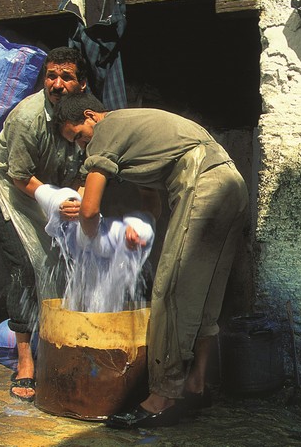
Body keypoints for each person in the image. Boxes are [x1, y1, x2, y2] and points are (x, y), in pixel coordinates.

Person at [53, 93, 248, 428]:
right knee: (205, 291)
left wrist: (89, 243)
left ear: (90, 116)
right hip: (231, 184)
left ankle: (162, 397)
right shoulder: (135, 135)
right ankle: (196, 384)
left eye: (79, 136)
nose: (82, 146)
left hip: (202, 183)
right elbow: (151, 205)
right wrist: (138, 230)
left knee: (170, 291)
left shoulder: (107, 128)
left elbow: (90, 209)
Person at [0, 47, 88, 402]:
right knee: (27, 270)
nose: (56, 85)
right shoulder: (27, 118)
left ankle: (59, 349)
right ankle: (26, 362)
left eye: (66, 77)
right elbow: (18, 176)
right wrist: (56, 200)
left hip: (53, 197)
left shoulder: (87, 117)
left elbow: (88, 168)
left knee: (68, 266)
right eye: (51, 76)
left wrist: (78, 198)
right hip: (12, 194)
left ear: (81, 84)